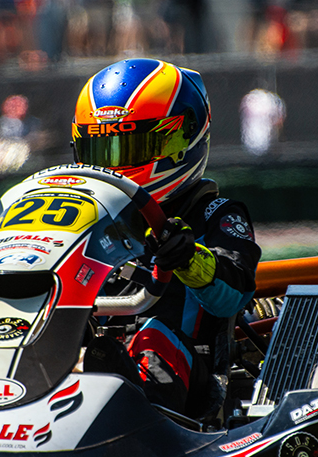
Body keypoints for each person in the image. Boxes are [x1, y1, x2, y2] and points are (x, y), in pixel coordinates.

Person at [72, 58, 261, 419]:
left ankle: (123, 401)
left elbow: (234, 294)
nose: (114, 166)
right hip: (92, 349)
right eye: (103, 150)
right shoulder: (84, 218)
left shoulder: (215, 213)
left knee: (151, 338)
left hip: (186, 371)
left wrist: (190, 258)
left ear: (180, 141)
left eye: (131, 148)